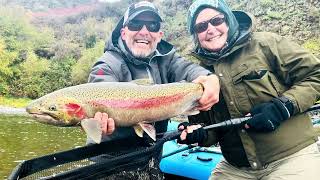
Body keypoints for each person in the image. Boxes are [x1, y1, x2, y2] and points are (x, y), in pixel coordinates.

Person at [178, 0, 320, 179]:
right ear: (195, 35)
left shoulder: (266, 43)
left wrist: (285, 105)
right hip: (236, 167)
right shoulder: (199, 75)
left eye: (216, 20)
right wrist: (199, 133)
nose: (210, 29)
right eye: (201, 26)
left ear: (229, 20)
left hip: (292, 157)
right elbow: (211, 131)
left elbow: (316, 74)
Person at [87, 1, 220, 179]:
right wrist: (96, 118)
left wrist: (210, 78)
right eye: (135, 24)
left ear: (159, 34)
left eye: (152, 25)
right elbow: (99, 85)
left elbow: (190, 69)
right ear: (123, 32)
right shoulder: (108, 64)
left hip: (151, 155)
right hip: (109, 160)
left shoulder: (167, 59)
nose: (144, 31)